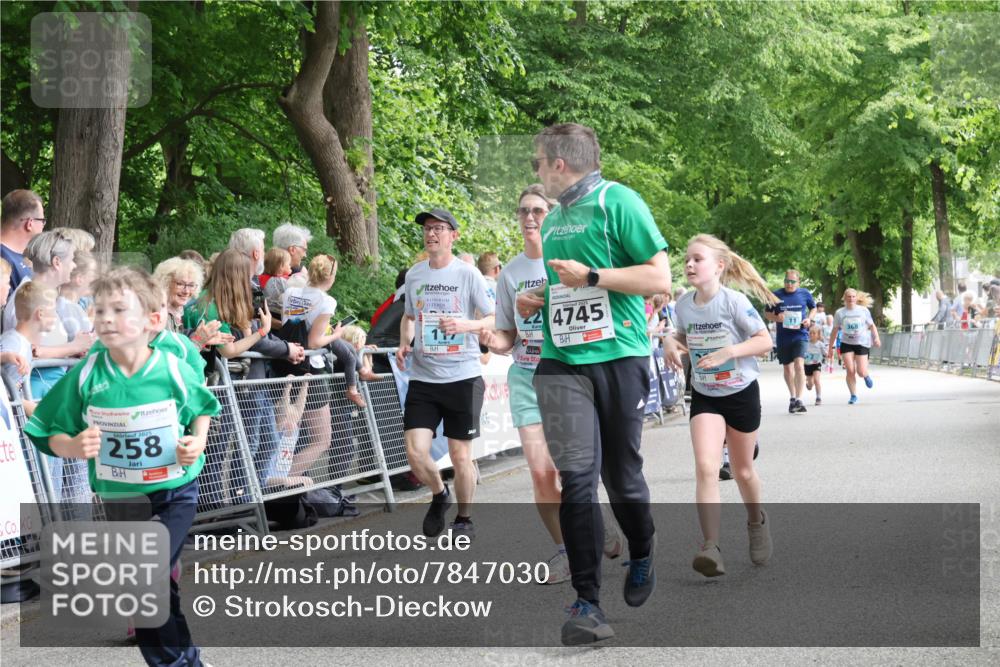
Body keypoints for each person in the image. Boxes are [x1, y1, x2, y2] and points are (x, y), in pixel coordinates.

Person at [517, 123, 670, 645]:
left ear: (559, 163)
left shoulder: (618, 201)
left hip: (620, 357)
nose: (536, 170)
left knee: (622, 478)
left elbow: (659, 279)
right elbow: (566, 285)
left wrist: (592, 277)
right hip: (561, 363)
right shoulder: (554, 219)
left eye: (539, 162)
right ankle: (588, 604)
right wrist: (537, 297)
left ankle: (642, 548)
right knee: (578, 479)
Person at [23, 266, 220, 667]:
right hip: (122, 499)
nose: (106, 319)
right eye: (99, 310)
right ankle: (188, 659)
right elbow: (44, 427)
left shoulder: (172, 369)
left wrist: (196, 441)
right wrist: (72, 445)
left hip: (174, 491)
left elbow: (203, 407)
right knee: (155, 588)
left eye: (118, 309)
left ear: (152, 320)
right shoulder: (87, 375)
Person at [665, 234, 776, 578]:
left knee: (743, 471)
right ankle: (711, 547)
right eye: (687, 259)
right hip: (705, 394)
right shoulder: (683, 305)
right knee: (706, 467)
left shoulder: (734, 302)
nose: (689, 264)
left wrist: (729, 351)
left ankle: (756, 521)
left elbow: (764, 341)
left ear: (719, 266)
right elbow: (682, 334)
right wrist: (669, 341)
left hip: (740, 392)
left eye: (697, 259)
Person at [483, 184, 575, 584]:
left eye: (538, 210)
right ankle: (564, 550)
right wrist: (491, 340)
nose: (530, 217)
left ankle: (593, 523)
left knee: (573, 471)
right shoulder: (510, 274)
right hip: (525, 376)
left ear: (551, 216)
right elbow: (507, 335)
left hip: (566, 376)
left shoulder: (569, 263)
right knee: (541, 472)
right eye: (523, 211)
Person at [396, 207, 494, 541]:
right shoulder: (415, 275)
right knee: (415, 453)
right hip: (424, 377)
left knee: (460, 455)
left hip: (463, 377)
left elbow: (494, 317)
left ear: (453, 235)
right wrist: (404, 343)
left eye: (439, 228)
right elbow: (409, 317)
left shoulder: (468, 274)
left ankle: (464, 519)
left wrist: (466, 325)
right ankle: (440, 494)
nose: (431, 233)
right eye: (427, 228)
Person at [1, 281, 57, 417]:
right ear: (40, 314)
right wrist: (27, 406)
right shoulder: (15, 344)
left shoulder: (19, 342)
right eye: (54, 311)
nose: (56, 316)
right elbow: (5, 392)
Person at [764, 269, 816, 414]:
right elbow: (767, 313)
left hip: (800, 335)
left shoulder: (804, 293)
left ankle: (799, 399)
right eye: (787, 281)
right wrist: (776, 318)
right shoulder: (776, 295)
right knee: (787, 368)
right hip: (783, 337)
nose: (789, 284)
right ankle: (792, 397)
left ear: (798, 282)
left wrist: (809, 319)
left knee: (799, 364)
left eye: (793, 281)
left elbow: (813, 308)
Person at [828, 288, 881, 404]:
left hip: (862, 343)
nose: (851, 299)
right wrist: (830, 347)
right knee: (850, 370)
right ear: (844, 298)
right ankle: (853, 395)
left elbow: (872, 326)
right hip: (847, 343)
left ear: (856, 298)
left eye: (853, 296)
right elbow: (834, 330)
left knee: (860, 372)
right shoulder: (840, 313)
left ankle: (866, 375)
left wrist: (876, 338)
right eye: (849, 296)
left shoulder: (863, 311)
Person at [0, 189, 45, 295]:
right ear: (30, 224)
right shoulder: (3, 258)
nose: (43, 225)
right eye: (42, 220)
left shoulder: (20, 256)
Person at [804, 325, 826, 406]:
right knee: (810, 384)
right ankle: (809, 384)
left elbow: (825, 353)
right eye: (810, 333)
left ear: (818, 335)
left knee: (817, 380)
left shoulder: (820, 344)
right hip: (807, 364)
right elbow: (802, 353)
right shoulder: (806, 343)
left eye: (814, 333)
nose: (812, 335)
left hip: (817, 364)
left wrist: (827, 354)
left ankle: (818, 397)